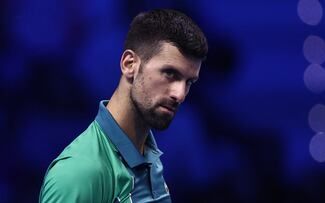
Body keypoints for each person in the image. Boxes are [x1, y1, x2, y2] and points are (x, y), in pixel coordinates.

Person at [39, 9, 208, 203]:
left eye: (189, 82)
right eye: (170, 73)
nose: (179, 94)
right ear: (129, 64)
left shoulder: (150, 157)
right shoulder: (78, 173)